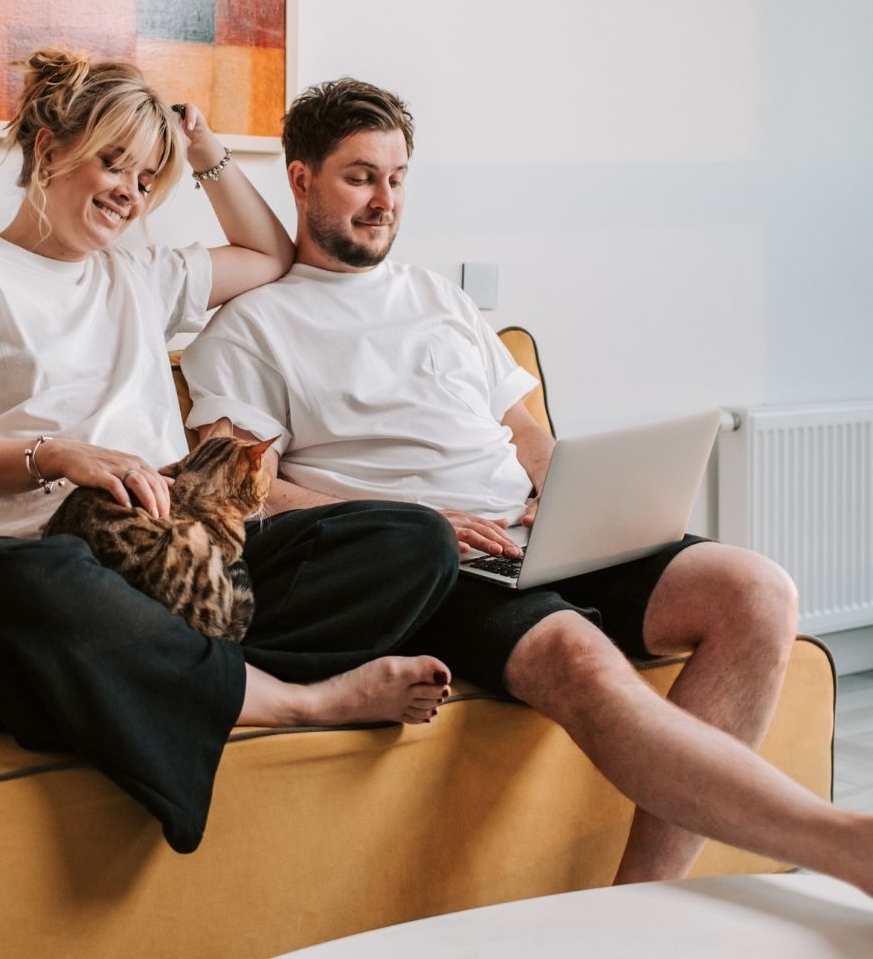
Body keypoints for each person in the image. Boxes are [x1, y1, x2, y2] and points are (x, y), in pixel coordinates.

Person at [181, 76, 873, 893]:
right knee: (579, 656)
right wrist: (412, 517)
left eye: (398, 179)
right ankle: (843, 845)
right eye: (361, 176)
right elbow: (235, 494)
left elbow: (524, 432)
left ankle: (642, 901)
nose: (385, 202)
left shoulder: (439, 297)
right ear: (301, 180)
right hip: (436, 561)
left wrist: (570, 494)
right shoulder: (251, 326)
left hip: (538, 530)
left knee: (757, 592)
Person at [0, 52, 457, 855]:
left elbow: (269, 254)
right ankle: (295, 701)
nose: (128, 192)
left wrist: (205, 148)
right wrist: (59, 456)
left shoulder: (137, 276)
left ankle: (157, 675)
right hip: (14, 576)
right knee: (21, 580)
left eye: (147, 178)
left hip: (170, 574)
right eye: (112, 162)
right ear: (48, 149)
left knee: (411, 539)